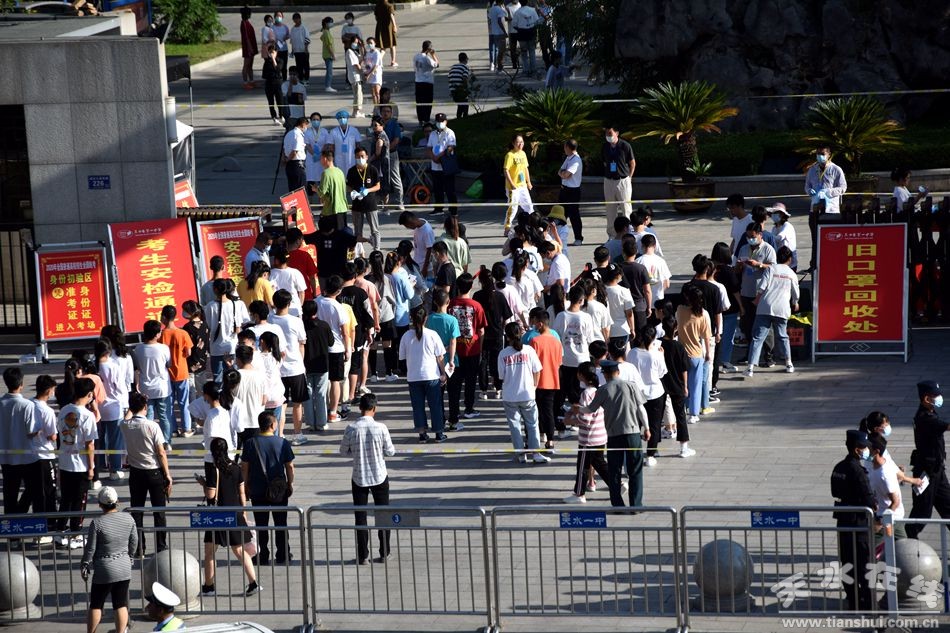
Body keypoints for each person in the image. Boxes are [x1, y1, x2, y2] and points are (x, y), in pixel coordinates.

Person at [573, 359, 650, 507]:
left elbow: (590, 409)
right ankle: (636, 505)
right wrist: (646, 428)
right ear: (618, 372)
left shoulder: (603, 390)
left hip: (614, 436)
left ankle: (618, 505)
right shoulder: (631, 386)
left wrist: (578, 409)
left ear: (605, 374)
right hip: (633, 433)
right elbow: (641, 409)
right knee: (635, 471)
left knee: (615, 471)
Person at [200, 438, 261, 597]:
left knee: (209, 552)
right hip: (235, 513)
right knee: (240, 551)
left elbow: (211, 495)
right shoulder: (235, 467)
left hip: (217, 516)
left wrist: (203, 483)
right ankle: (253, 583)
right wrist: (243, 511)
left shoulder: (214, 470)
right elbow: (242, 493)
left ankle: (209, 586)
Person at [340, 393, 395, 564]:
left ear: (360, 408)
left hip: (359, 476)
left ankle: (363, 555)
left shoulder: (351, 428)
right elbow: (390, 451)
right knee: (383, 515)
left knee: (360, 517)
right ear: (374, 408)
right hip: (379, 475)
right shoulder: (381, 428)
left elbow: (343, 451)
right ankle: (384, 552)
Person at [830, 430, 876, 611]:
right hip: (859, 523)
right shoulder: (857, 470)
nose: (867, 451)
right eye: (865, 447)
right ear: (857, 450)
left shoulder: (839, 467)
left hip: (843, 520)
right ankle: (868, 603)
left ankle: (853, 600)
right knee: (864, 563)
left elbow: (835, 492)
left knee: (847, 563)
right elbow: (869, 499)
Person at [80, 486, 137, 633]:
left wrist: (85, 563)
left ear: (100, 504)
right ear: (117, 501)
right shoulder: (129, 518)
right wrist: (130, 557)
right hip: (124, 567)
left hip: (104, 568)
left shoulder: (97, 523)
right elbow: (134, 542)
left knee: (96, 604)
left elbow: (90, 548)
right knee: (120, 603)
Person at [241, 411, 295, 565]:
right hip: (279, 490)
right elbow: (289, 466)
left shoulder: (250, 443)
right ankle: (283, 554)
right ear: (272, 425)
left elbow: (244, 467)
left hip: (257, 489)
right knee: (281, 523)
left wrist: (246, 486)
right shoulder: (282, 443)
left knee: (261, 524)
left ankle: (262, 554)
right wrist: (290, 484)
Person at [121, 391, 171, 557]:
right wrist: (167, 474)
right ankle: (161, 547)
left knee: (137, 511)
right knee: (159, 512)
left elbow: (127, 417)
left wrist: (132, 405)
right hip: (154, 471)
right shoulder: (152, 426)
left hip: (136, 472)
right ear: (145, 407)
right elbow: (161, 452)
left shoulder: (125, 425)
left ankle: (139, 548)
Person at [497, 322, 549, 463]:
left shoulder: (503, 354)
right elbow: (537, 370)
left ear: (507, 337)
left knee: (515, 426)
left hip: (510, 395)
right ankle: (536, 453)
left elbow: (501, 376)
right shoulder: (529, 350)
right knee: (532, 424)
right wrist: (534, 386)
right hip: (527, 394)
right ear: (520, 333)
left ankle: (520, 454)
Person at [745, 246, 799, 376]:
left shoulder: (770, 269)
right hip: (782, 308)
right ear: (790, 259)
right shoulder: (791, 274)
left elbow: (762, 286)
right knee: (783, 336)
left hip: (765, 307)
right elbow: (796, 292)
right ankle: (788, 363)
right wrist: (795, 302)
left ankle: (750, 367)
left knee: (758, 338)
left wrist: (757, 300)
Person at [907, 380, 950, 538]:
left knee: (948, 506)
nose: (939, 398)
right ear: (926, 399)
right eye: (935, 396)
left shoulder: (930, 413)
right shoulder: (925, 418)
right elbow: (946, 426)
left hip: (937, 470)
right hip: (926, 473)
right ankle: (908, 541)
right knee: (922, 511)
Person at [399, 305, 449, 443]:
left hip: (413, 377)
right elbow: (440, 357)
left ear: (411, 318)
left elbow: (402, 357)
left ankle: (422, 434)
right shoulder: (432, 334)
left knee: (418, 407)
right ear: (425, 318)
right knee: (435, 405)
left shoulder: (406, 336)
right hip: (431, 376)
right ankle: (439, 433)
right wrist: (443, 373)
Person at [562, 362, 610, 503]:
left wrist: (569, 421)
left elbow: (585, 419)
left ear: (580, 375)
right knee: (600, 463)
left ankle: (579, 494)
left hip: (588, 438)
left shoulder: (585, 394)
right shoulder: (598, 391)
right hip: (600, 435)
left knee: (582, 467)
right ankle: (617, 484)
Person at [269, 289, 310, 446]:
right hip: (295, 367)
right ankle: (297, 434)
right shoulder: (296, 321)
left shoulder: (270, 320)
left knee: (281, 404)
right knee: (297, 403)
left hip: (277, 369)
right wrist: (302, 363)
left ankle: (279, 434)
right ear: (289, 303)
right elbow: (302, 343)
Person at [735, 223, 777, 367]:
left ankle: (769, 355)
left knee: (765, 325)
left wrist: (758, 265)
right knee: (747, 324)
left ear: (760, 235)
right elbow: (737, 269)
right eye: (748, 236)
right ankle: (750, 353)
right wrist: (739, 266)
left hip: (762, 293)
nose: (750, 239)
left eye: (752, 236)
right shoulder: (743, 248)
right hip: (746, 292)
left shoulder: (768, 249)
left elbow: (773, 268)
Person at [0, 367, 39, 515]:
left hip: (6, 456)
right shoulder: (27, 405)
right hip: (26, 456)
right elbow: (31, 431)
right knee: (32, 488)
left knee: (9, 493)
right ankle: (21, 511)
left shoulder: (1, 403)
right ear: (21, 384)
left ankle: (11, 523)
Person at [805, 146, 848, 270]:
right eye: (818, 154)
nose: (820, 156)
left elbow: (843, 187)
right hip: (815, 208)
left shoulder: (836, 169)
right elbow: (807, 186)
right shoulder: (812, 170)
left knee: (831, 238)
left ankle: (832, 263)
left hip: (830, 209)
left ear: (829, 155)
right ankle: (814, 265)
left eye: (822, 154)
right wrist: (809, 190)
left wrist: (829, 192)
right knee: (815, 238)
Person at [316, 276, 352, 426]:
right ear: (339, 291)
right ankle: (332, 412)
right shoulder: (338, 307)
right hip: (336, 347)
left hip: (319, 347)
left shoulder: (316, 301)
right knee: (335, 381)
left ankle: (320, 411)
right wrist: (348, 349)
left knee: (320, 380)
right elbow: (345, 332)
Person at [676, 286, 712, 425]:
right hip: (696, 354)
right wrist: (708, 353)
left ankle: (683, 408)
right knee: (695, 385)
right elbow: (706, 336)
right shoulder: (703, 314)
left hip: (681, 353)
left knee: (682, 383)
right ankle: (693, 413)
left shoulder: (680, 310)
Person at [660, 316, 695, 458]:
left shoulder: (658, 345)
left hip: (662, 384)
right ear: (676, 329)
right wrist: (685, 386)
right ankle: (683, 448)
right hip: (677, 384)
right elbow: (684, 369)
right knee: (680, 416)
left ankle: (653, 449)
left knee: (656, 418)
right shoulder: (679, 346)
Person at [133, 320, 172, 444]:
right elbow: (169, 364)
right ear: (157, 334)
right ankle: (166, 442)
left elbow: (137, 367)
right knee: (164, 417)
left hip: (145, 388)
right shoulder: (164, 348)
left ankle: (149, 442)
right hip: (162, 387)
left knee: (147, 417)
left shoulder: (138, 349)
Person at [205, 279, 251, 385]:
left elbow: (208, 325)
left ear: (215, 290)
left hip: (216, 347)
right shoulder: (236, 304)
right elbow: (240, 325)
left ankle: (220, 395)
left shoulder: (210, 306)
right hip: (232, 346)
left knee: (218, 378)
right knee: (233, 377)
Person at [160, 306, 193, 438]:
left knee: (169, 403)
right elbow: (188, 352)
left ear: (163, 317)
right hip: (182, 372)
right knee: (184, 402)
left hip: (167, 373)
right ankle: (186, 428)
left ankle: (173, 429)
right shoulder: (183, 333)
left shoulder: (161, 335)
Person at [602, 126, 636, 238]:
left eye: (610, 133)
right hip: (609, 180)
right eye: (606, 134)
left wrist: (629, 177)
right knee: (610, 210)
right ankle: (612, 235)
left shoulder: (625, 145)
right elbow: (604, 162)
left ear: (617, 133)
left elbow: (632, 163)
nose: (608, 136)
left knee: (626, 208)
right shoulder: (605, 146)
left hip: (623, 180)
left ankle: (629, 233)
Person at [348, 146, 383, 249]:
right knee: (357, 230)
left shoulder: (372, 169)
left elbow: (378, 186)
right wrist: (353, 191)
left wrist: (368, 190)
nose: (360, 159)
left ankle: (377, 250)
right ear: (355, 157)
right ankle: (359, 251)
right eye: (358, 157)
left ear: (367, 157)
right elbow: (348, 186)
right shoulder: (352, 171)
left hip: (370, 204)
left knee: (375, 229)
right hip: (357, 205)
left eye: (362, 156)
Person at [427, 113, 458, 217]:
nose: (440, 123)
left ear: (446, 121)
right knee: (437, 189)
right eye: (438, 121)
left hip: (446, 166)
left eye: (442, 121)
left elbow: (450, 147)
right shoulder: (432, 134)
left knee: (450, 189)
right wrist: (433, 157)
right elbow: (429, 147)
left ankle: (453, 210)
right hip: (435, 166)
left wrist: (439, 156)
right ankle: (438, 208)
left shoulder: (450, 133)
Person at [503, 134, 533, 232]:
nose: (520, 144)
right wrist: (512, 184)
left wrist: (528, 182)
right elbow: (506, 170)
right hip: (513, 187)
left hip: (523, 186)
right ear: (513, 143)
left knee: (529, 206)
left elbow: (525, 169)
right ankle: (507, 227)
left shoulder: (523, 154)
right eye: (518, 142)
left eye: (522, 142)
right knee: (513, 208)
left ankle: (532, 225)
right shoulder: (510, 155)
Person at [558, 139, 583, 245]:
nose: (564, 149)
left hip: (573, 191)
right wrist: (563, 173)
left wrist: (563, 173)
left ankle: (578, 238)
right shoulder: (568, 158)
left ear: (568, 147)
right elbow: (560, 171)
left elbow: (566, 174)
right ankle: (559, 237)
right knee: (560, 214)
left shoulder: (576, 160)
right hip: (564, 189)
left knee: (574, 215)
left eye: (565, 147)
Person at [380, 106, 404, 211]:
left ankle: (400, 202)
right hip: (380, 154)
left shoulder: (394, 124)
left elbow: (396, 140)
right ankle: (383, 202)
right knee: (382, 178)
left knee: (395, 178)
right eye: (384, 111)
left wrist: (387, 150)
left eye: (388, 111)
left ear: (391, 113)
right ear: (381, 113)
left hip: (392, 154)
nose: (386, 113)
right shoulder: (378, 123)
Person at [318, 148, 349, 230]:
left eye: (321, 158)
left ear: (325, 159)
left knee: (332, 235)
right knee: (342, 233)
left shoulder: (326, 173)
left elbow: (321, 192)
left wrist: (315, 189)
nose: (320, 161)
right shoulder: (340, 172)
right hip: (342, 208)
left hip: (332, 210)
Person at [398, 211, 436, 278]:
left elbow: (430, 250)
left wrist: (425, 268)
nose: (408, 228)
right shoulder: (419, 224)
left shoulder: (426, 231)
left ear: (411, 221)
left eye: (407, 225)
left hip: (425, 267)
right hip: (418, 264)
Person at [329, 109, 363, 177]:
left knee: (352, 176)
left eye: (344, 117)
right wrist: (331, 159)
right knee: (340, 176)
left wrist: (359, 158)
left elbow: (358, 145)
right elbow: (331, 147)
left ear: (347, 118)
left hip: (351, 158)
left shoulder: (354, 130)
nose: (342, 119)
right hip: (339, 158)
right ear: (337, 119)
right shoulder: (333, 132)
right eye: (340, 118)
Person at [413, 41, 439, 124]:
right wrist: (433, 55)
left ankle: (420, 119)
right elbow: (437, 64)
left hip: (418, 81)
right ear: (429, 49)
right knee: (427, 101)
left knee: (419, 101)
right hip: (427, 82)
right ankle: (426, 118)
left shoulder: (416, 56)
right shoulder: (427, 58)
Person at [512, 0, 540, 74]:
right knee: (532, 51)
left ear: (520, 2)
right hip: (531, 33)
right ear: (527, 2)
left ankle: (525, 70)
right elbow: (537, 21)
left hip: (522, 34)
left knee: (524, 53)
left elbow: (514, 24)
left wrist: (520, 29)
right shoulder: (532, 10)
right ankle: (533, 69)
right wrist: (532, 28)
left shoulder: (517, 12)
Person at [304, 112, 329, 196]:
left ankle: (322, 199)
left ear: (320, 120)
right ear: (311, 121)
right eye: (314, 119)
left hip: (322, 157)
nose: (315, 121)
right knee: (311, 179)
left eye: (317, 119)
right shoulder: (307, 132)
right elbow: (307, 145)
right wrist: (314, 154)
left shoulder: (324, 131)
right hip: (311, 158)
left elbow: (327, 144)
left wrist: (320, 154)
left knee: (322, 179)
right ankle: (310, 200)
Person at [768, 203, 798, 270]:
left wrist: (767, 235)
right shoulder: (774, 228)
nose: (773, 215)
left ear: (782, 214)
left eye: (776, 213)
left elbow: (779, 238)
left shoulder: (787, 226)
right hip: (779, 261)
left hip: (789, 263)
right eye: (773, 213)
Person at [284, 116, 309, 192]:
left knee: (292, 189)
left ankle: (294, 201)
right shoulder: (298, 135)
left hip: (289, 165)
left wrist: (285, 160)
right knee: (300, 189)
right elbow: (295, 151)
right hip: (297, 164)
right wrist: (288, 160)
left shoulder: (288, 134)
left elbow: (284, 149)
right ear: (303, 124)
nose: (306, 128)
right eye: (306, 126)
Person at [262, 44, 286, 126]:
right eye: (270, 52)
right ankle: (274, 117)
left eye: (273, 52)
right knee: (271, 102)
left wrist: (273, 59)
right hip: (269, 84)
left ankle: (281, 115)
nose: (271, 54)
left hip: (278, 83)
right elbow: (264, 75)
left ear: (276, 52)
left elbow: (278, 69)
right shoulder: (266, 62)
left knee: (280, 100)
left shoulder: (280, 60)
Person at [344, 35, 365, 118]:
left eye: (357, 43)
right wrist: (363, 73)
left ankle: (356, 111)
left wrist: (361, 47)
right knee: (358, 94)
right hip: (354, 76)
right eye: (355, 42)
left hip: (356, 76)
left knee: (358, 94)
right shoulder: (349, 52)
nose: (356, 44)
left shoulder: (355, 52)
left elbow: (362, 58)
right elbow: (356, 65)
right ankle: (356, 112)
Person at [448, 52, 473, 118]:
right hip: (460, 89)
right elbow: (464, 78)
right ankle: (464, 117)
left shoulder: (453, 67)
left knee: (460, 105)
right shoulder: (465, 67)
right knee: (465, 105)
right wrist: (466, 89)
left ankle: (459, 117)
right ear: (466, 59)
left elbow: (449, 77)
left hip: (453, 89)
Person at [374, 0, 399, 66]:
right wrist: (394, 26)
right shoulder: (389, 6)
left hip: (380, 27)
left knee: (383, 46)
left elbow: (376, 17)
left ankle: (378, 60)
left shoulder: (377, 6)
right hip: (388, 27)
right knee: (392, 44)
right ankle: (393, 61)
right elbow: (391, 16)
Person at [240, 7, 259, 89]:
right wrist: (250, 48)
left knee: (250, 66)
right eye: (249, 13)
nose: (250, 14)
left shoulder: (247, 22)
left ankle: (251, 81)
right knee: (246, 65)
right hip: (248, 48)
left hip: (252, 46)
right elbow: (246, 37)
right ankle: (245, 83)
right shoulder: (243, 23)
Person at [487, 0, 507, 72]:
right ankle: (499, 68)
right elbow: (499, 21)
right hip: (500, 33)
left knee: (497, 50)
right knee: (501, 51)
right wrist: (504, 32)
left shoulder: (491, 9)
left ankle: (495, 65)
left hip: (494, 32)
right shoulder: (500, 9)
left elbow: (490, 19)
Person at [290, 13, 310, 83]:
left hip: (303, 50)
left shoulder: (303, 28)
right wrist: (292, 50)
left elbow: (307, 39)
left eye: (297, 19)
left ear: (300, 19)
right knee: (299, 66)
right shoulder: (292, 29)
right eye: (294, 19)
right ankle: (301, 79)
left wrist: (306, 49)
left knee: (305, 66)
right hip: (296, 51)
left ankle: (306, 79)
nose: (296, 20)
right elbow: (292, 41)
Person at [363, 37, 384, 104]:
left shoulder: (377, 53)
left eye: (371, 43)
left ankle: (380, 106)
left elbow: (375, 66)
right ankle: (375, 107)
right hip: (370, 74)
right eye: (368, 43)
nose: (369, 44)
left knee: (377, 92)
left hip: (376, 74)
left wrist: (368, 75)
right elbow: (367, 64)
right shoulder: (368, 53)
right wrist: (366, 73)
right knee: (373, 93)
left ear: (375, 43)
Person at [271, 11, 291, 81]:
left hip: (284, 49)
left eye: (280, 16)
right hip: (276, 50)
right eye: (277, 16)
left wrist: (286, 37)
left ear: (282, 17)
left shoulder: (285, 27)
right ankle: (277, 80)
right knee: (277, 66)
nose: (278, 17)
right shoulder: (272, 27)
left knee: (284, 66)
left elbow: (289, 35)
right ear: (274, 17)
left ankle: (284, 80)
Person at [320, 16, 338, 92]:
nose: (331, 24)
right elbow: (328, 45)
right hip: (328, 55)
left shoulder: (325, 32)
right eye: (330, 22)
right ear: (326, 23)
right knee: (329, 72)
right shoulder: (326, 33)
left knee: (329, 71)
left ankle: (327, 85)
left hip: (325, 54)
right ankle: (328, 86)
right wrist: (333, 55)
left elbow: (321, 38)